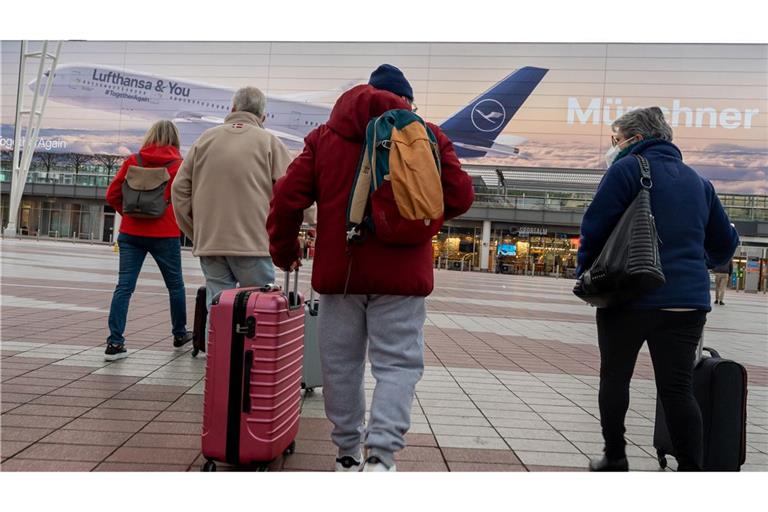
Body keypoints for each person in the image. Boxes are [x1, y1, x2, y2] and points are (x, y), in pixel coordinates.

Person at [267, 64, 474, 472]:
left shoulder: (324, 136)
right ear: (407, 101)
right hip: (403, 275)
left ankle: (347, 455)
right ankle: (382, 457)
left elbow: (287, 198)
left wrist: (285, 250)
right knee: (397, 364)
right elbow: (461, 196)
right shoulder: (426, 133)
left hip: (340, 274)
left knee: (340, 365)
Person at [577, 107, 739, 471]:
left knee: (615, 378)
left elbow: (595, 227)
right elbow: (725, 244)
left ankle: (615, 457)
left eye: (616, 139)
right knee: (678, 388)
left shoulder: (626, 170)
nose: (613, 147)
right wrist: (695, 261)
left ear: (636, 139)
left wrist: (585, 273)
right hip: (686, 304)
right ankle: (690, 470)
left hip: (628, 297)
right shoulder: (698, 182)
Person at [171, 86, 292, 344]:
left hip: (211, 244)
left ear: (233, 109)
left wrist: (196, 231)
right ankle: (253, 373)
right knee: (258, 310)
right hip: (253, 245)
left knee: (218, 309)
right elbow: (289, 192)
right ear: (263, 117)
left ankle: (218, 373)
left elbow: (179, 189)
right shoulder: (270, 143)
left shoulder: (205, 140)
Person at [104, 120, 192, 361]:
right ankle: (179, 333)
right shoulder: (179, 165)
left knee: (124, 287)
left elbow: (111, 194)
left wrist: (130, 215)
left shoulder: (133, 161)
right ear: (175, 138)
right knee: (175, 286)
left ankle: (115, 343)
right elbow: (187, 200)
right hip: (165, 234)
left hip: (131, 235)